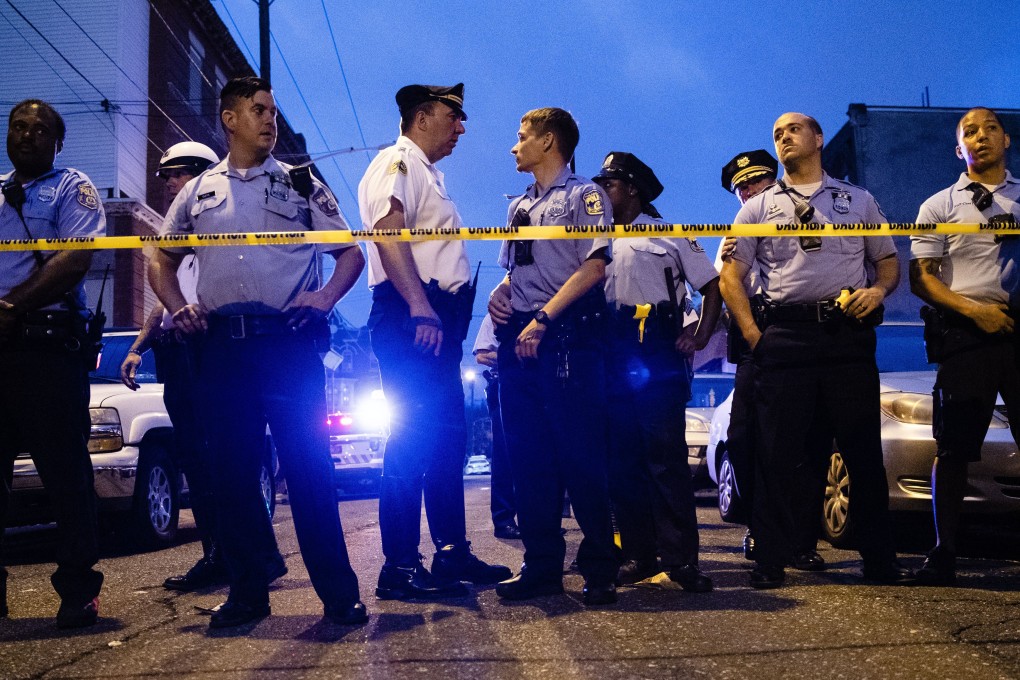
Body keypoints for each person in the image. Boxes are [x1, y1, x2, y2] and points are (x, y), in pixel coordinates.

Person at [149, 76, 367, 628]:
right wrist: (177, 307)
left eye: (272, 111)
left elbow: (350, 254)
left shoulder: (300, 182)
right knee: (232, 475)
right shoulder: (197, 192)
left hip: (287, 347)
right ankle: (247, 594)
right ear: (229, 119)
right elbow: (160, 260)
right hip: (222, 350)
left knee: (309, 470)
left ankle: (338, 595)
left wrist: (323, 299)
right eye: (259, 110)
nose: (270, 120)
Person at [719, 112, 913, 589]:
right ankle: (770, 559)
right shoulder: (757, 209)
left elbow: (888, 262)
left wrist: (878, 291)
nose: (784, 137)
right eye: (777, 134)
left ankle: (880, 561)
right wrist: (754, 335)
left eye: (793, 130)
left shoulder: (858, 200)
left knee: (862, 454)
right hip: (785, 337)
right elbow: (730, 277)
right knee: (776, 455)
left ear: (818, 138)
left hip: (846, 337)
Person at [358, 82, 510, 601]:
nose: (461, 128)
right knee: (411, 444)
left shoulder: (426, 172)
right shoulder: (397, 161)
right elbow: (388, 231)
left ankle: (451, 555)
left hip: (434, 321)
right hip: (412, 316)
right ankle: (399, 567)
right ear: (422, 117)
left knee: (447, 444)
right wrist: (420, 306)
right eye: (453, 117)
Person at [120, 141, 286, 593]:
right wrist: (137, 347)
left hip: (208, 349)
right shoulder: (180, 231)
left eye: (176, 174)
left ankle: (248, 557)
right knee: (197, 461)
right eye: (166, 176)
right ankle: (224, 553)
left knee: (220, 461)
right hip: (178, 355)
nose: (168, 183)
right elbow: (163, 303)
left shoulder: (216, 228)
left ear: (200, 174)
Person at [488, 107, 620, 605]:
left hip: (567, 337)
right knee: (528, 460)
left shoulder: (585, 196)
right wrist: (500, 293)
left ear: (548, 141)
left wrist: (544, 318)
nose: (514, 146)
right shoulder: (519, 206)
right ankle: (542, 566)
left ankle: (600, 568)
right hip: (520, 340)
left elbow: (594, 266)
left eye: (522, 136)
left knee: (581, 458)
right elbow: (514, 270)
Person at [593, 151, 721, 592]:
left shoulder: (671, 233)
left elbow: (712, 286)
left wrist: (700, 335)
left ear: (632, 188)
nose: (601, 192)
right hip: (610, 351)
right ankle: (639, 556)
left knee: (665, 462)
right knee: (622, 463)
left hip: (657, 350)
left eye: (609, 185)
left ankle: (682, 560)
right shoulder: (593, 234)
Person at [0, 99, 105, 628]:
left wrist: (11, 306)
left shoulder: (71, 188)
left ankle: (78, 591)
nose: (27, 135)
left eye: (40, 129)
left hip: (46, 351)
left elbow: (76, 258)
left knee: (66, 477)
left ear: (58, 143)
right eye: (18, 126)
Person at [909, 106, 1020, 586]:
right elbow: (921, 278)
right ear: (959, 149)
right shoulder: (938, 205)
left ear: (1006, 139)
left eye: (991, 128)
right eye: (970, 132)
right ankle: (943, 554)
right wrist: (976, 312)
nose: (981, 137)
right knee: (953, 448)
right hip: (966, 333)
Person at [718, 149, 826, 572]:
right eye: (741, 188)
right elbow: (724, 292)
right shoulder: (735, 234)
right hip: (754, 347)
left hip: (795, 336)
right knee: (744, 440)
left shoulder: (798, 219)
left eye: (756, 181)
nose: (749, 191)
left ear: (773, 181)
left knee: (808, 442)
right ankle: (759, 529)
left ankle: (801, 540)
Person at [472, 315, 519, 539]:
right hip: (505, 384)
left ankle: (540, 520)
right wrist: (513, 356)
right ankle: (504, 520)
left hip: (539, 384)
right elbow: (481, 354)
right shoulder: (498, 311)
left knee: (540, 457)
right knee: (505, 454)